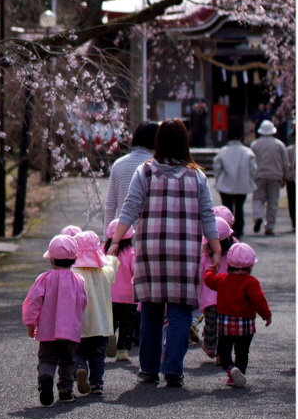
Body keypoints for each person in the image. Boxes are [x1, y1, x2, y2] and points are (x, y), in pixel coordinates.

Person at [107, 118, 221, 388]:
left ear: (158, 142)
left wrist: (115, 240)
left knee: (151, 313)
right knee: (181, 314)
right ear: (185, 142)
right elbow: (208, 214)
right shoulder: (197, 176)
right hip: (184, 254)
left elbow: (130, 207)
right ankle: (173, 370)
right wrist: (215, 247)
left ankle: (148, 369)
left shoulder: (144, 172)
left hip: (151, 253)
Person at [23, 235, 88, 406]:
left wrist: (31, 323)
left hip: (47, 331)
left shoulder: (44, 279)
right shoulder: (78, 280)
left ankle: (45, 378)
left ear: (51, 260)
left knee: (47, 359)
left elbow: (33, 302)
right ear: (75, 259)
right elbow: (83, 302)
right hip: (70, 332)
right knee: (68, 361)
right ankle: (65, 391)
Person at [203, 243, 271, 388]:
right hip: (246, 325)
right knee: (242, 352)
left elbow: (209, 280)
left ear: (228, 263)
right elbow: (259, 301)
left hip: (225, 324)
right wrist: (266, 316)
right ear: (251, 266)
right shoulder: (251, 282)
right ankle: (239, 374)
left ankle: (231, 369)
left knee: (223, 351)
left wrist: (211, 270)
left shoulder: (222, 279)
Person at [71, 231, 118, 396]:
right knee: (98, 356)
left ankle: (79, 369)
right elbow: (112, 267)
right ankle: (97, 384)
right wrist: (111, 257)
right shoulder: (104, 273)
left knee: (77, 352)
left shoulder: (73, 274)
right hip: (101, 325)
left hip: (79, 325)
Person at [104, 121, 160, 227]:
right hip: (150, 235)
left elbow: (110, 206)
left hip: (123, 235)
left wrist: (108, 239)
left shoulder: (118, 164)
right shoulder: (158, 166)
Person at [197, 217, 236, 360]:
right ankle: (222, 354)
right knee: (225, 328)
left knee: (210, 325)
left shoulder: (205, 256)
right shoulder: (233, 255)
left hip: (210, 299)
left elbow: (198, 274)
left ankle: (210, 347)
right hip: (228, 298)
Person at [212, 123, 257, 238]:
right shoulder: (247, 152)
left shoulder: (223, 151)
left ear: (227, 137)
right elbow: (253, 169)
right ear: (241, 138)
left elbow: (217, 167)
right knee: (239, 207)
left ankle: (226, 229)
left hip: (225, 183)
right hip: (242, 184)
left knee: (226, 208)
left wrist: (218, 179)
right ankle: (239, 229)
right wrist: (250, 178)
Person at [104, 219, 135, 362]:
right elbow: (135, 271)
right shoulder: (130, 253)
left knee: (111, 321)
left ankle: (109, 337)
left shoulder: (103, 251)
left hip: (108, 296)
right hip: (128, 297)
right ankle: (122, 351)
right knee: (126, 324)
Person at [250, 119, 288, 236]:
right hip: (275, 176)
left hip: (259, 175)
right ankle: (269, 226)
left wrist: (251, 176)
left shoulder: (255, 144)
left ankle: (258, 216)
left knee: (258, 199)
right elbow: (285, 163)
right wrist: (284, 177)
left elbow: (250, 162)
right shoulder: (279, 145)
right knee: (272, 202)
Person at [286, 138, 295, 232]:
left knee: (292, 202)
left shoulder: (289, 150)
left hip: (291, 178)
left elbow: (286, 164)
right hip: (291, 178)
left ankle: (294, 222)